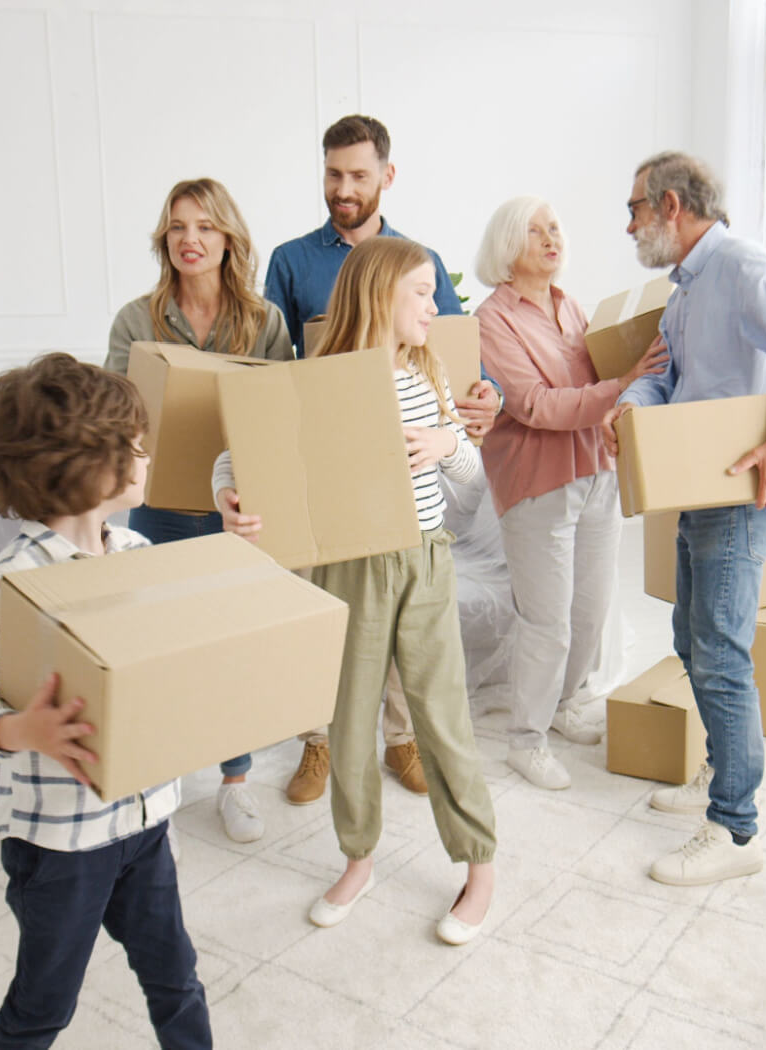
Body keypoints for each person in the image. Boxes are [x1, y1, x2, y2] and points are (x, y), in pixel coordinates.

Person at [212, 237, 497, 945]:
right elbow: (236, 450)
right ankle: (358, 857)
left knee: (441, 718)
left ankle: (479, 866)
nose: (436, 306)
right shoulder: (320, 376)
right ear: (380, 296)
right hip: (349, 566)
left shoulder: (429, 374)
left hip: (426, 563)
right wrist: (227, 496)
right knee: (348, 716)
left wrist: (444, 444)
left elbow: (472, 473)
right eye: (423, 293)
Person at [0, 353, 210, 1049]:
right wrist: (23, 730)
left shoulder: (138, 553)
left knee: (176, 977)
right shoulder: (11, 587)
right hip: (60, 844)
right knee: (43, 1005)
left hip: (145, 821)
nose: (145, 454)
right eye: (131, 444)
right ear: (86, 466)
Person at [603, 152, 766, 886]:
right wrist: (632, 408)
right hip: (697, 486)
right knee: (690, 635)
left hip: (739, 491)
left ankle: (736, 832)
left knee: (719, 651)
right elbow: (669, 377)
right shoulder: (683, 292)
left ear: (671, 205)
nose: (630, 223)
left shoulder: (740, 266)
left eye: (635, 208)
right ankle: (718, 775)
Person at [262, 113, 501, 805]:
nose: (343, 188)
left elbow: (456, 356)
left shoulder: (414, 261)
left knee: (398, 616)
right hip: (331, 468)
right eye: (333, 174)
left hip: (403, 480)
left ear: (386, 177)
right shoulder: (291, 260)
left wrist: (478, 403)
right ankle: (320, 744)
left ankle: (400, 740)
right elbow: (275, 373)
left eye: (358, 176)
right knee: (325, 611)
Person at [104, 177, 292, 845]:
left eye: (205, 227)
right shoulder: (136, 320)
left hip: (234, 505)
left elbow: (277, 417)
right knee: (162, 643)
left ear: (228, 238)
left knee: (231, 640)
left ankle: (235, 782)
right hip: (159, 507)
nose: (190, 239)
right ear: (165, 239)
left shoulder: (265, 322)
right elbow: (116, 417)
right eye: (178, 227)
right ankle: (157, 785)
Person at [472, 197, 668, 789]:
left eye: (554, 228)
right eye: (534, 232)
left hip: (596, 472)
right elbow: (534, 406)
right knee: (547, 621)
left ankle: (564, 705)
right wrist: (623, 385)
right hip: (536, 484)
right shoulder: (491, 320)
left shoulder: (571, 307)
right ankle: (525, 739)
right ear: (508, 248)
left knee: (591, 609)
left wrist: (626, 385)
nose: (550, 238)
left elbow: (590, 388)